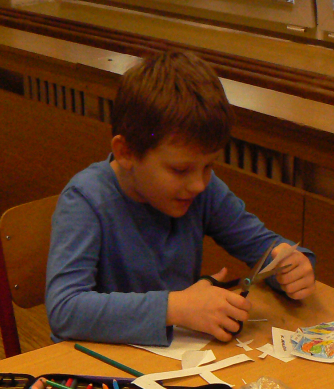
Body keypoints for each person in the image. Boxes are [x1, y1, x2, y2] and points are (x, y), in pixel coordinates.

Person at [45, 49, 315, 347]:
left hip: (174, 358)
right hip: (96, 362)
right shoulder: (85, 201)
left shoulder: (202, 191)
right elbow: (65, 310)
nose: (198, 184)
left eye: (208, 166)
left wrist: (291, 269)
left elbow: (267, 249)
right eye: (180, 169)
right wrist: (176, 307)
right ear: (126, 153)